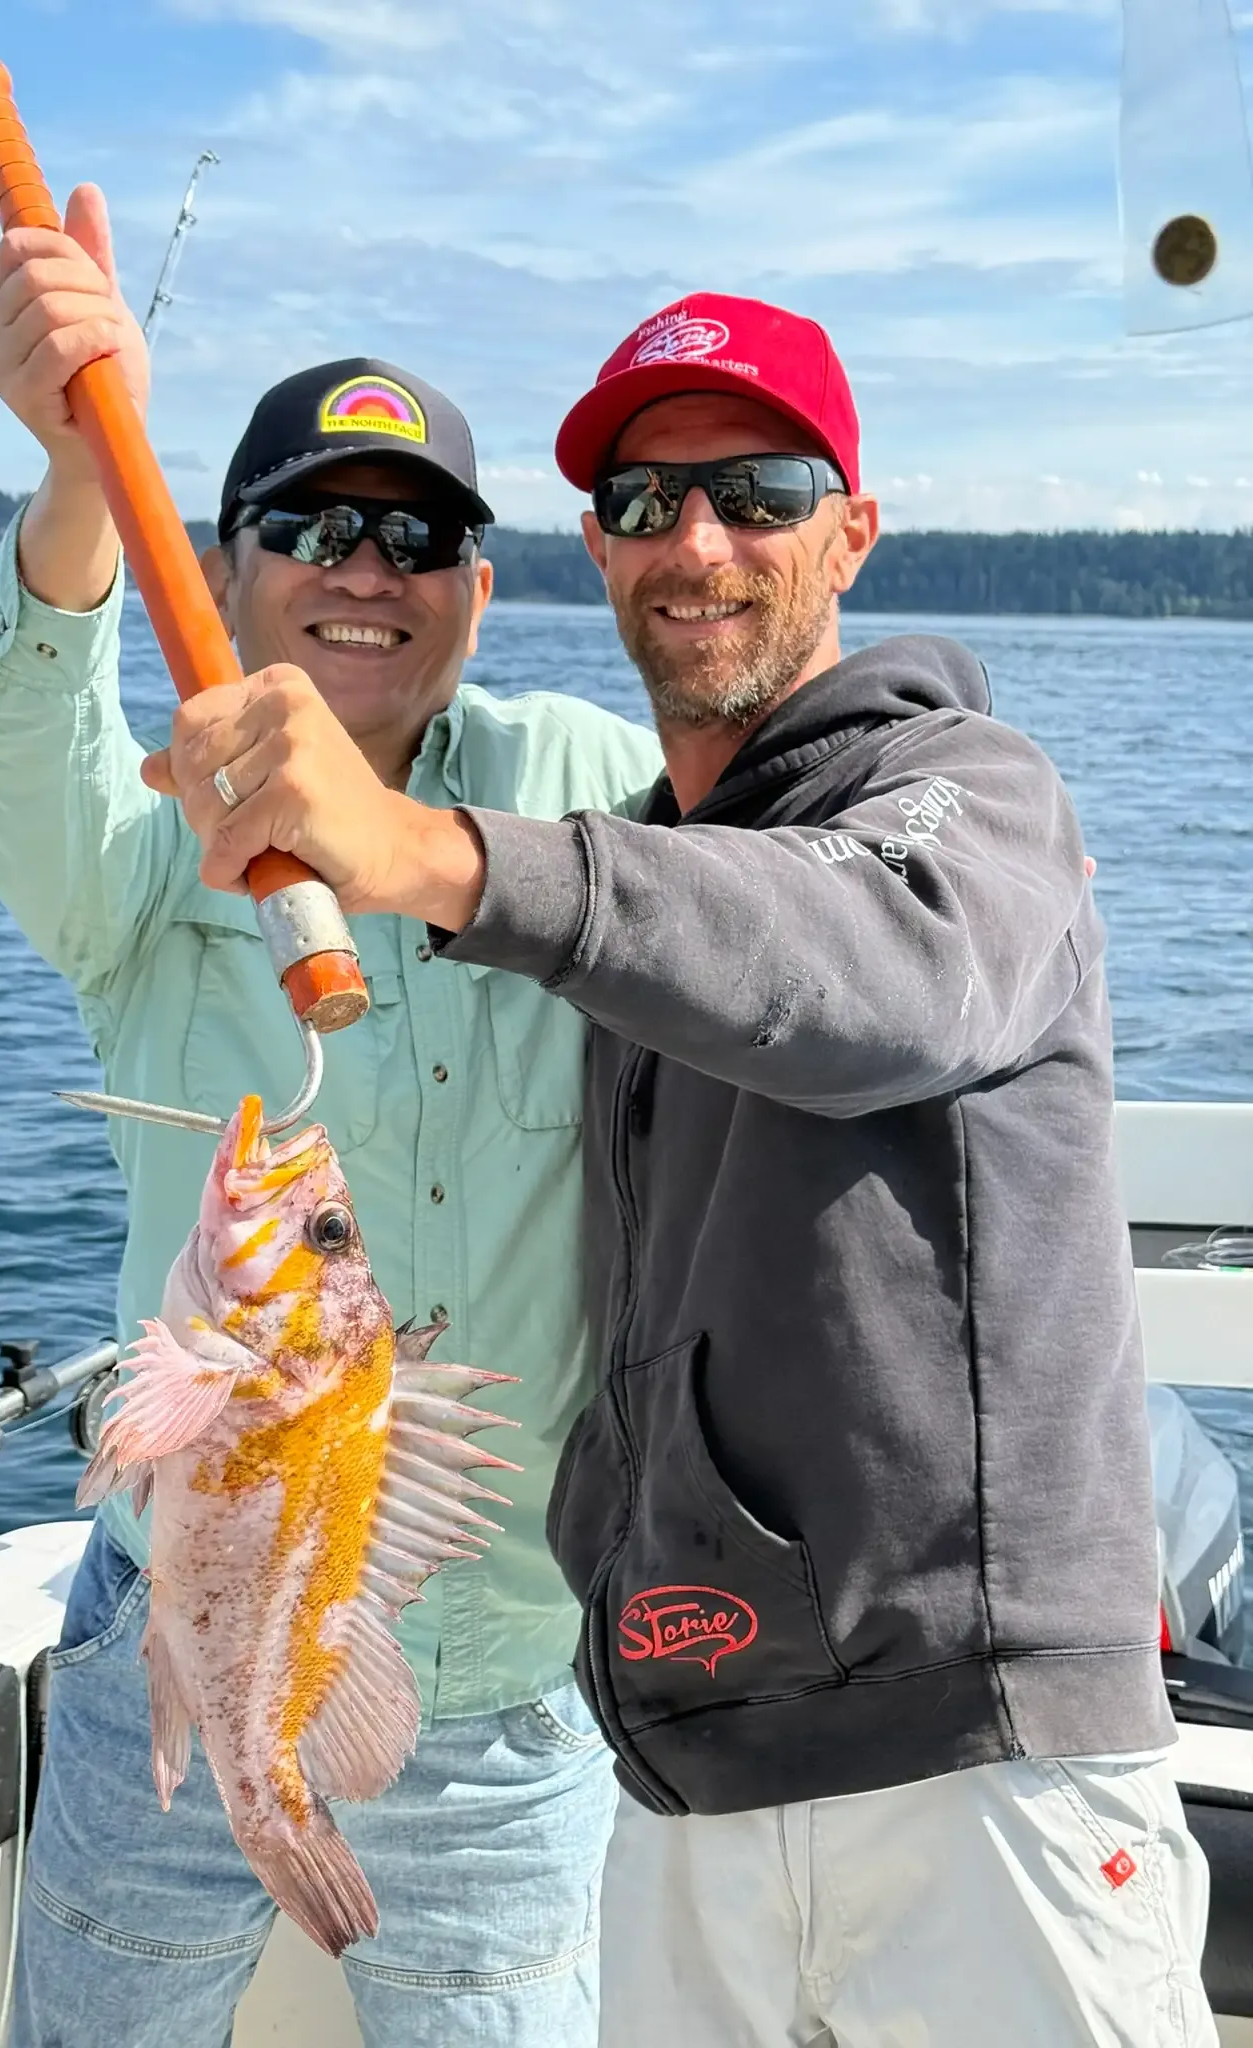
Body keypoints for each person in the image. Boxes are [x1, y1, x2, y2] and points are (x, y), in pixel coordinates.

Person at [160, 290, 1218, 2046]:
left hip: (975, 1758)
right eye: (645, 502)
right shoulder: (654, 888)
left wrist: (425, 850)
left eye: (760, 491)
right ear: (596, 550)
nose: (699, 541)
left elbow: (868, 968)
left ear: (852, 532)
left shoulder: (974, 797)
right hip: (683, 1765)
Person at [0, 184, 662, 2048]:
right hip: (170, 1651)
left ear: (478, 594)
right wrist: (77, 478)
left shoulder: (588, 785)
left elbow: (779, 878)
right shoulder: (147, 829)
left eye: (417, 536)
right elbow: (16, 763)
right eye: (313, 525)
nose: (366, 567)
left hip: (508, 1685)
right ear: (228, 565)